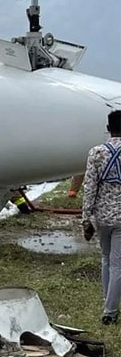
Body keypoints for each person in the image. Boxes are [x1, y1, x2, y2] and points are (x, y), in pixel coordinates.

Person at [81, 110, 121, 325]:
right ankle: (110, 311)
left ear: (108, 128)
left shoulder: (96, 152)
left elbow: (89, 187)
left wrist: (86, 217)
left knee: (106, 259)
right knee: (118, 264)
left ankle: (108, 302)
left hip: (103, 216)